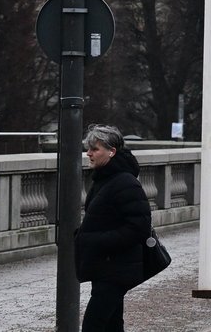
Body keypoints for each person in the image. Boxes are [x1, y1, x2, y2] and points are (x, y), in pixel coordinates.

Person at [76, 125, 154, 332]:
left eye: (95, 149)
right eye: (89, 148)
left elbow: (140, 227)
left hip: (116, 268)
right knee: (111, 326)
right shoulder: (105, 180)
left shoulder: (124, 182)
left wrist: (96, 240)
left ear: (112, 152)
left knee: (93, 325)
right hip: (107, 267)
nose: (89, 153)